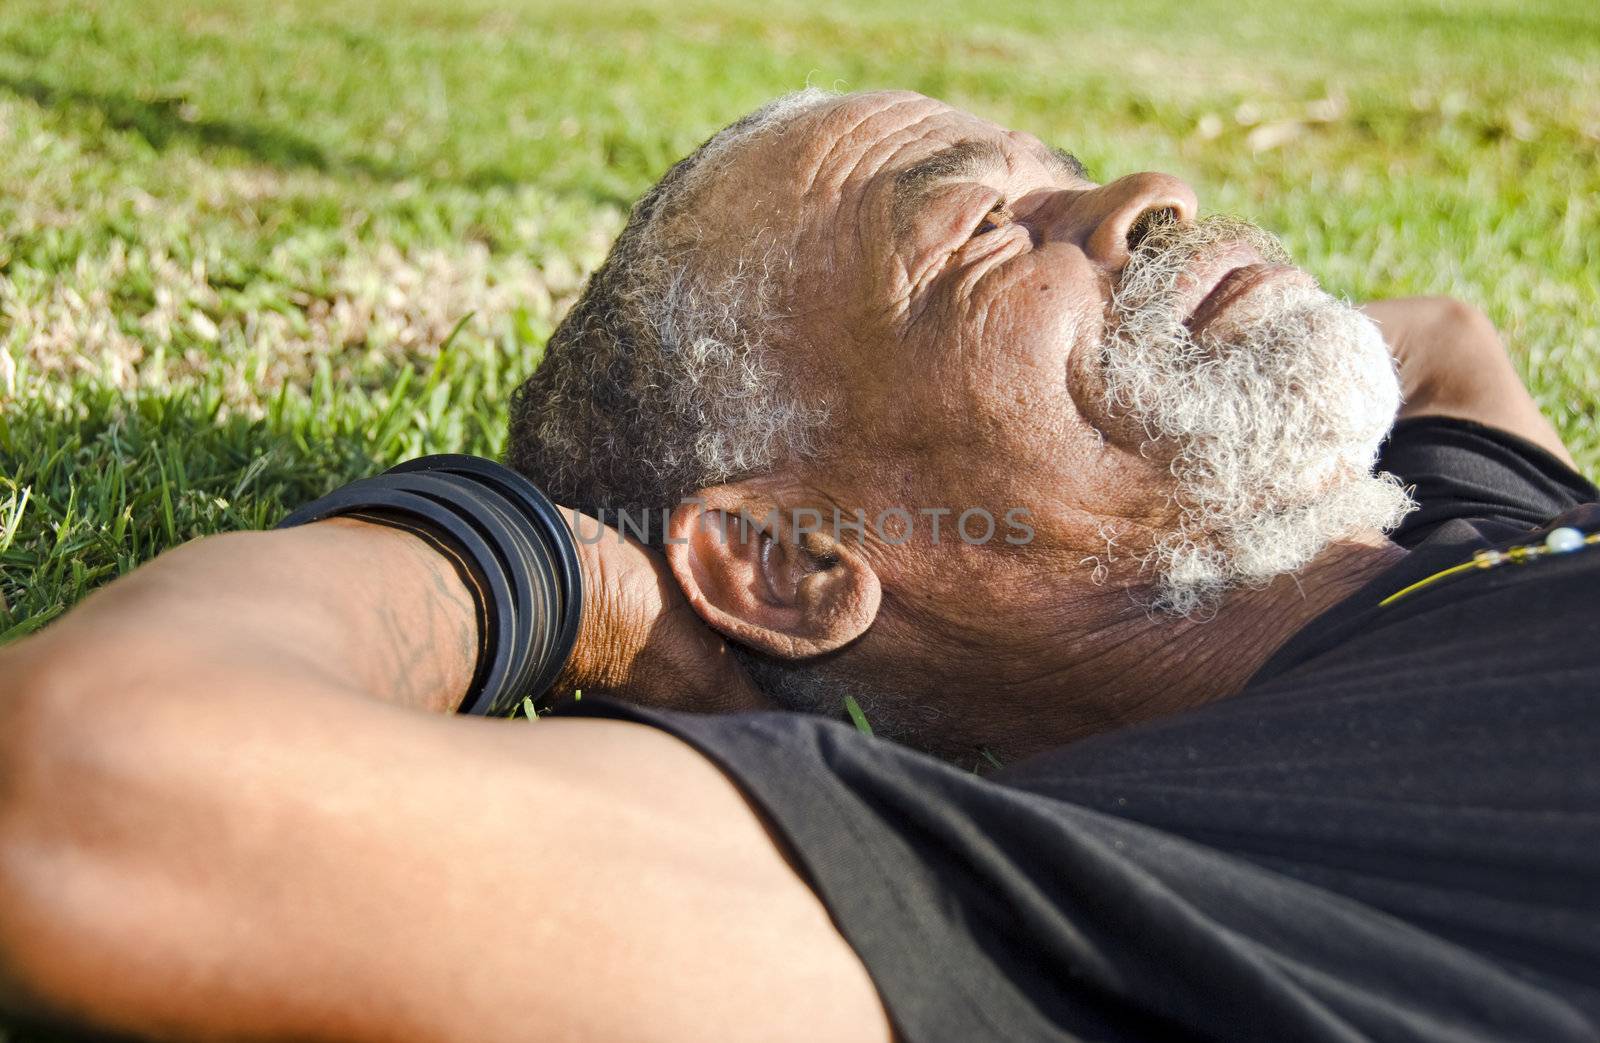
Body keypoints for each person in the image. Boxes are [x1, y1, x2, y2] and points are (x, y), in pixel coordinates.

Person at [0, 89, 1595, 1041]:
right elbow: (90, 782)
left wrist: (1205, 368)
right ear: (785, 562)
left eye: (1065, 175)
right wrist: (554, 575)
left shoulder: (1451, 516)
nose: (1147, 198)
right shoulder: (1128, 885)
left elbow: (1442, 345)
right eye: (977, 240)